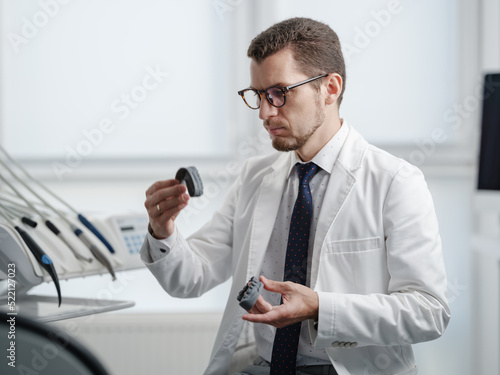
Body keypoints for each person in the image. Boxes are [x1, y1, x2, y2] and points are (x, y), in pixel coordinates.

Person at [140, 17, 450, 375]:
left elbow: (429, 311)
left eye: (279, 93)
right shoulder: (254, 178)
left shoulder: (395, 181)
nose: (265, 112)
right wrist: (162, 230)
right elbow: (191, 277)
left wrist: (320, 307)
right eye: (258, 95)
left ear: (330, 88)